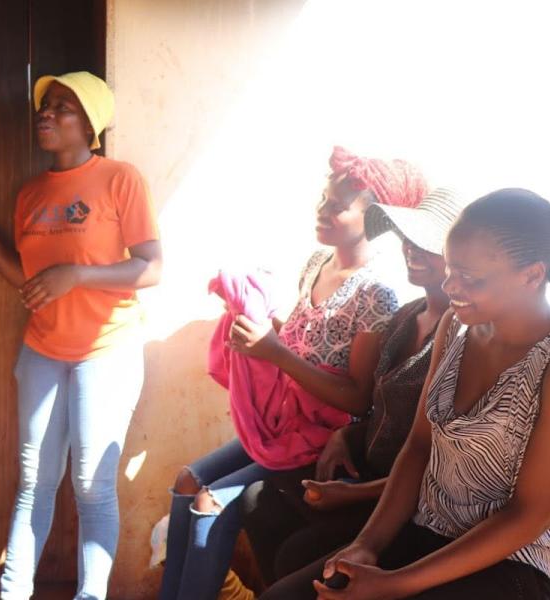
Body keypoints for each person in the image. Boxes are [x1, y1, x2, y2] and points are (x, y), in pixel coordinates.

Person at [261, 189, 550, 599]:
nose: (451, 285)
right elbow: (419, 446)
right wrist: (368, 544)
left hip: (515, 562)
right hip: (433, 527)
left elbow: (530, 513)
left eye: (471, 278)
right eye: (450, 269)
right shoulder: (456, 327)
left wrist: (398, 584)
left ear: (532, 275)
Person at [159, 147, 426, 600]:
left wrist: (273, 351)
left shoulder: (377, 291)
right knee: (188, 481)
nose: (321, 211)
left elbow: (356, 398)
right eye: (323, 199)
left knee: (209, 505)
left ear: (377, 217)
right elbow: (303, 341)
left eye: (337, 206)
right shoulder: (317, 264)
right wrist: (258, 324)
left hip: (316, 437)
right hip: (284, 423)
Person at [0, 71, 162, 599]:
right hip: (43, 350)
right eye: (45, 105)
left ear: (89, 123)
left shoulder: (121, 179)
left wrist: (79, 275)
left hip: (106, 350)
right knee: (34, 483)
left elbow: (152, 267)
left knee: (92, 487)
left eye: (62, 107)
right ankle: (13, 592)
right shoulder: (31, 193)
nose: (45, 113)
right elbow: (32, 283)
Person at [239, 188, 464, 585]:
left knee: (295, 555)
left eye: (426, 244)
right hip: (366, 469)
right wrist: (347, 433)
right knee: (259, 502)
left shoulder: (464, 339)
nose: (410, 249)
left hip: (401, 498)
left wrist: (355, 495)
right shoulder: (406, 317)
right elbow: (375, 407)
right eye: (406, 238)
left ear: (464, 258)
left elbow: (433, 458)